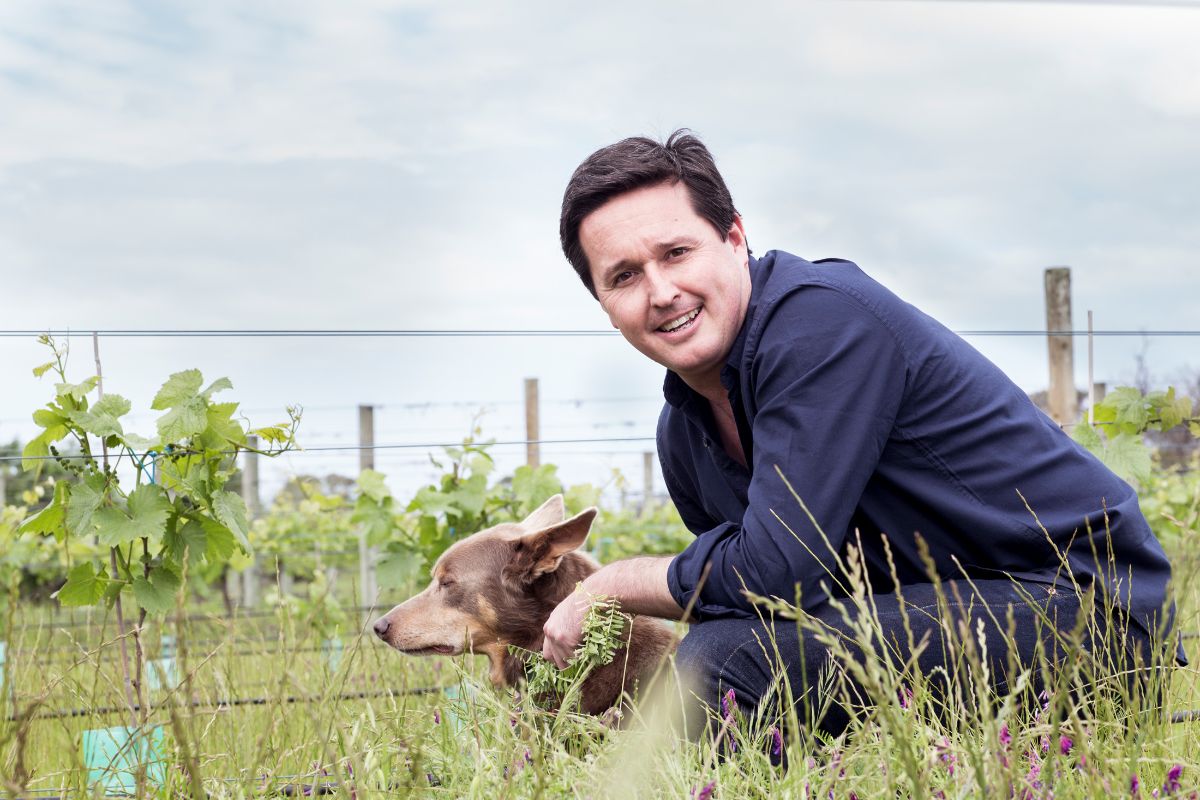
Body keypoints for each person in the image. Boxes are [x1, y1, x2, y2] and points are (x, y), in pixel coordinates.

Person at [541, 130, 1179, 734]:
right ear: (605, 306)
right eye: (624, 276)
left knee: (722, 667)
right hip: (935, 615)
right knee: (724, 657)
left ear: (735, 239)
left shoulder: (822, 324)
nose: (661, 291)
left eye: (677, 253)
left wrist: (608, 583)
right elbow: (753, 602)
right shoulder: (683, 434)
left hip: (1082, 610)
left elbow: (773, 571)